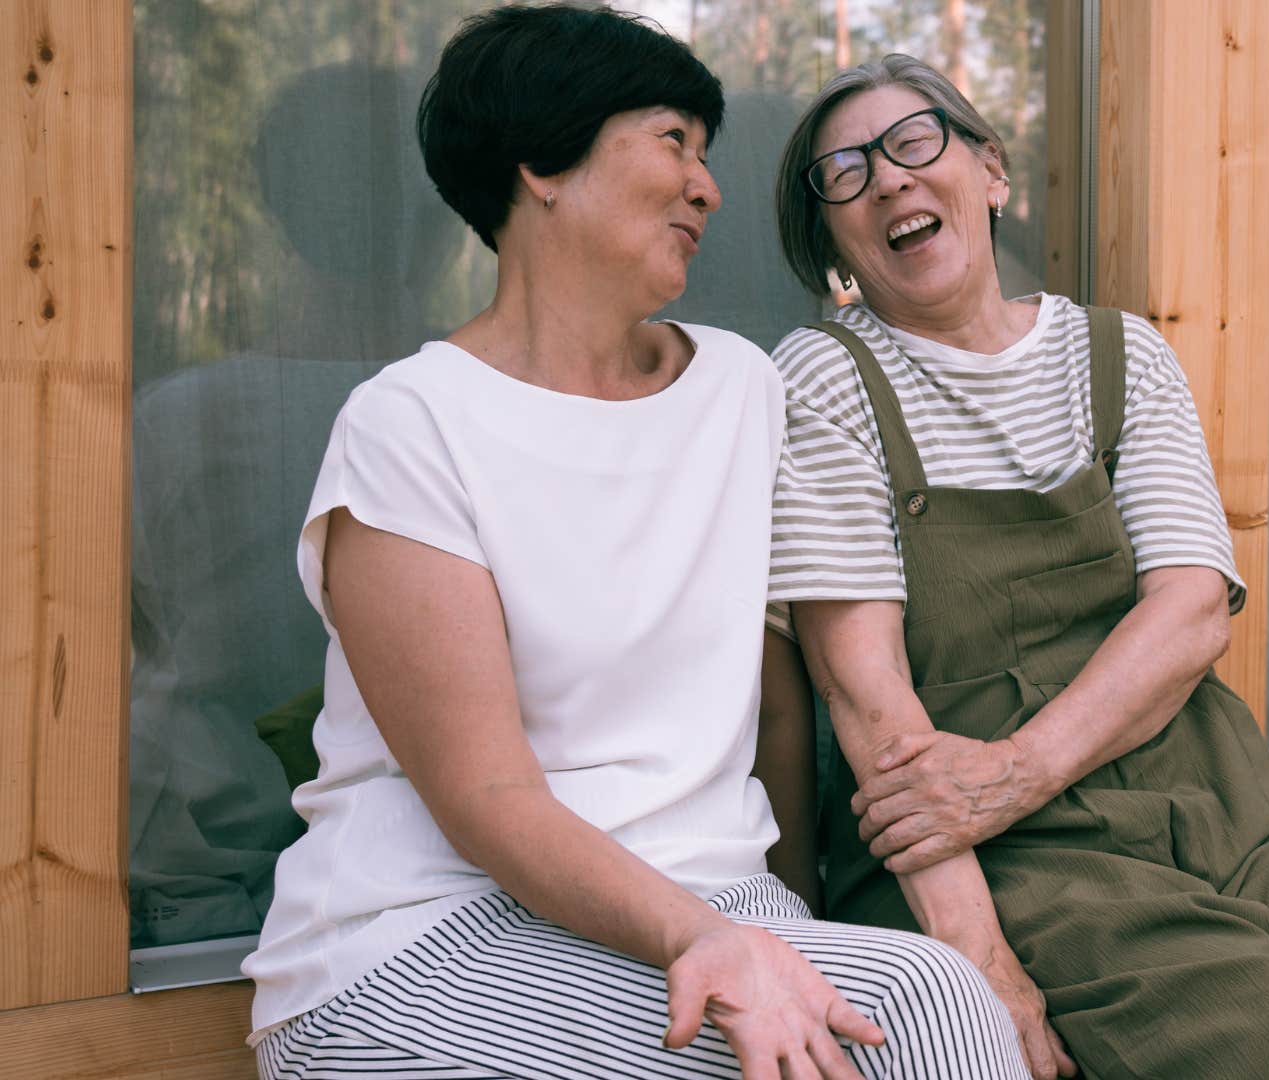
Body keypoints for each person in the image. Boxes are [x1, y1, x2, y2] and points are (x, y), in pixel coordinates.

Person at [241, 11, 1027, 1079]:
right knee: (919, 1007)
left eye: (707, 155)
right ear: (542, 165)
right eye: (672, 142)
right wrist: (711, 943)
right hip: (431, 935)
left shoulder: (742, 389)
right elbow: (487, 797)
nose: (707, 188)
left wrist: (777, 924)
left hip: (719, 900)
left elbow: (776, 695)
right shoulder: (414, 424)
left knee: (922, 1006)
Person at [765, 54, 1269, 1080]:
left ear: (993, 171)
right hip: (1017, 865)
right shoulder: (828, 378)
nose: (888, 180)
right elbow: (866, 698)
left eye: (914, 143)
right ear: (832, 235)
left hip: (1216, 813)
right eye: (845, 173)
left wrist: (1014, 771)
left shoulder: (1119, 354)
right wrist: (982, 964)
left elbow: (1192, 613)